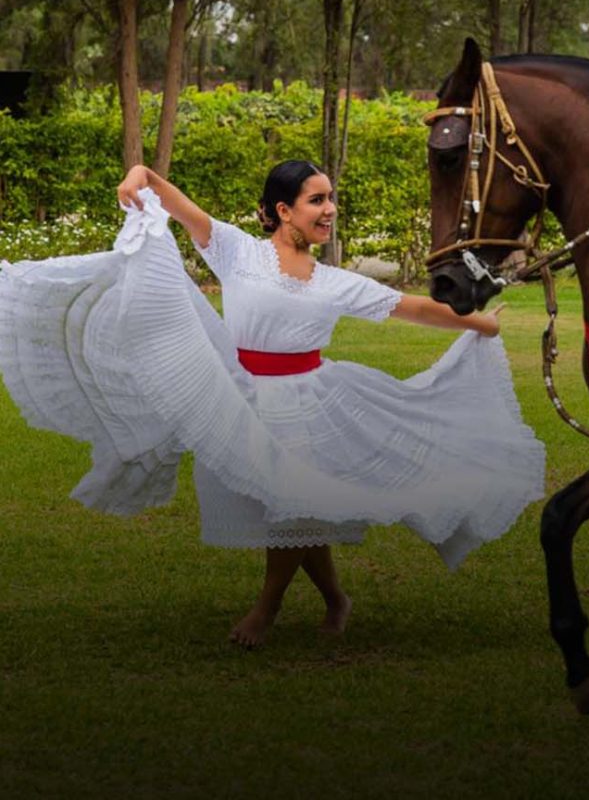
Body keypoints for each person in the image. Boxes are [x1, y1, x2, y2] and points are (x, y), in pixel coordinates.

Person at [0, 159, 546, 647]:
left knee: (296, 503)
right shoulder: (238, 252)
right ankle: (336, 600)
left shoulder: (335, 283)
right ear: (284, 211)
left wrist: (482, 322)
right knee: (294, 506)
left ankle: (267, 609)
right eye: (317, 200)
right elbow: (176, 204)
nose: (329, 209)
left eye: (332, 199)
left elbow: (417, 309)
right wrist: (140, 176)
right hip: (241, 395)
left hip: (309, 401)